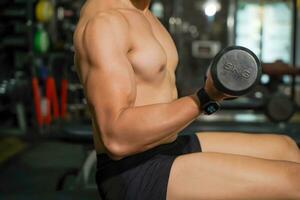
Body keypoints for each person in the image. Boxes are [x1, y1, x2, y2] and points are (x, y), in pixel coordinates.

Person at [73, 0, 300, 199]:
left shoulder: (144, 13)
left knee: (286, 148)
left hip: (166, 146)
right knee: (295, 181)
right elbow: (116, 137)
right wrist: (205, 97)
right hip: (134, 172)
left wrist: (215, 91)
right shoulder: (105, 22)